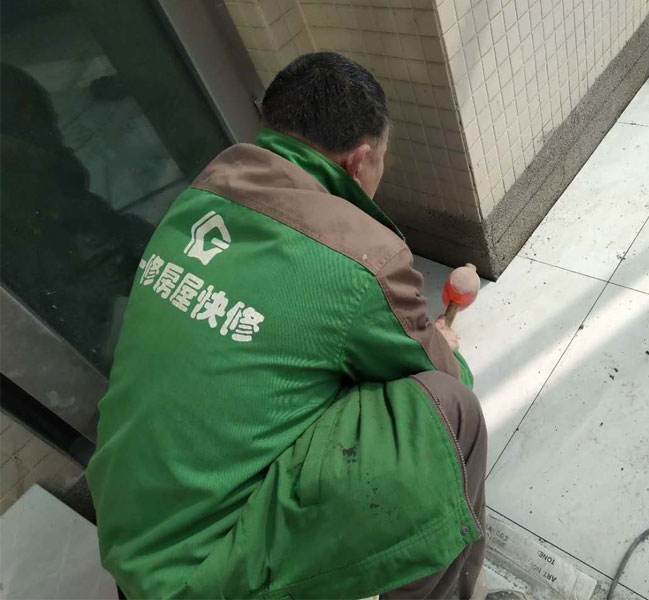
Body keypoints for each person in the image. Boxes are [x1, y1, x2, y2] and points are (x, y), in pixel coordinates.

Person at [87, 52, 488, 599]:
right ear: (358, 161)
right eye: (382, 160)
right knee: (449, 410)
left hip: (129, 542)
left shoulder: (201, 194)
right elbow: (441, 372)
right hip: (204, 577)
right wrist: (446, 346)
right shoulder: (360, 254)